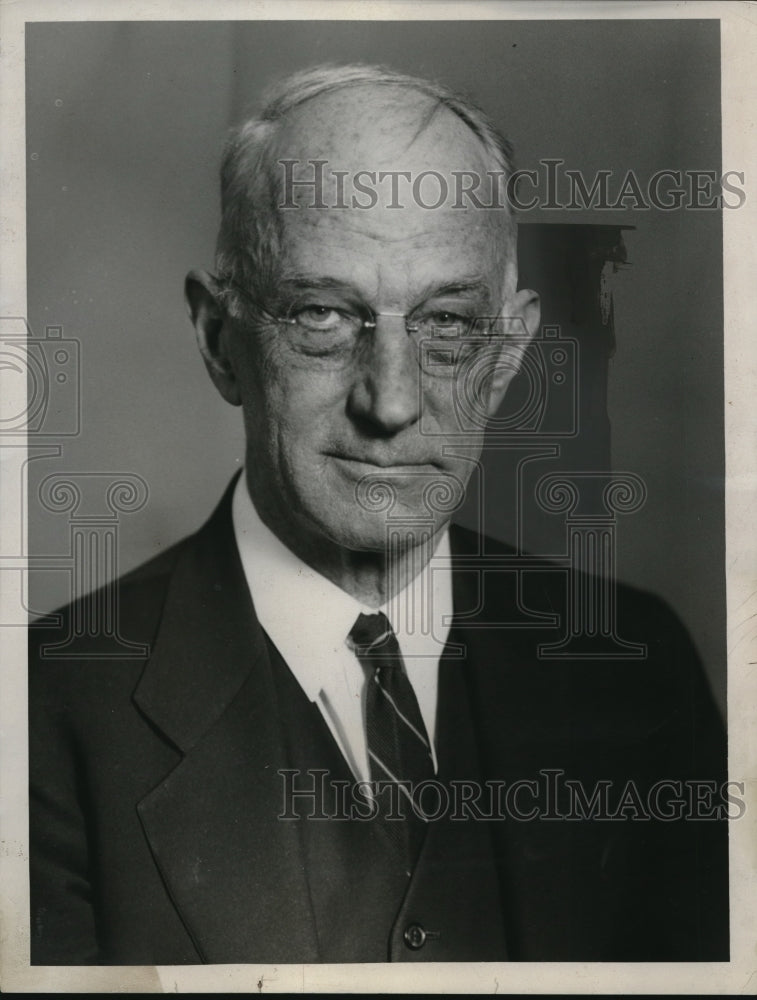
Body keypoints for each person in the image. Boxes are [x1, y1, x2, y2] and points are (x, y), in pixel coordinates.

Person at [29, 64, 728, 965]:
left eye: (446, 325)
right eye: (322, 315)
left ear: (507, 353)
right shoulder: (41, 714)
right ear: (219, 341)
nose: (390, 402)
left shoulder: (638, 669)